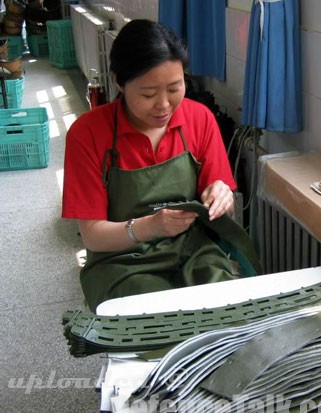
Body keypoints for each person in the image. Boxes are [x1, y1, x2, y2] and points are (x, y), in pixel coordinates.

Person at [62, 19, 257, 311]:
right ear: (119, 81)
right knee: (154, 320)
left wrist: (222, 196)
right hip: (121, 260)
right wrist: (150, 226)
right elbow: (93, 236)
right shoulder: (88, 133)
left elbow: (222, 201)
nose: (164, 105)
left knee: (225, 313)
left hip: (193, 250)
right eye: (148, 94)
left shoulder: (199, 119)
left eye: (175, 88)